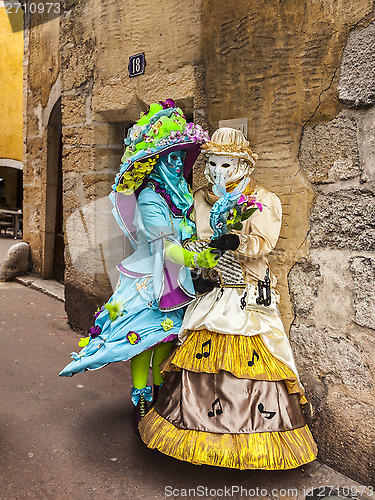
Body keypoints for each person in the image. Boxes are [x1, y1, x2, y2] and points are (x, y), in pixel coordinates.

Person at [139, 127, 318, 469]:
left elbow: (264, 243)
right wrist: (193, 251)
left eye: (227, 165)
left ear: (242, 166)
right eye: (213, 164)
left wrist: (236, 241)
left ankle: (252, 442)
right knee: (201, 359)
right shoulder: (200, 198)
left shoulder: (263, 199)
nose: (218, 173)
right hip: (213, 287)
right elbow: (193, 236)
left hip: (247, 289)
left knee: (256, 357)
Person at [59, 101, 219, 434]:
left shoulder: (180, 196)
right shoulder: (149, 198)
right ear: (157, 162)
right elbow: (165, 245)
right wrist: (193, 259)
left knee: (166, 336)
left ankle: (160, 391)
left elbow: (188, 235)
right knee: (142, 337)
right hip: (150, 278)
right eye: (170, 158)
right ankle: (140, 394)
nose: (177, 165)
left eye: (180, 158)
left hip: (175, 279)